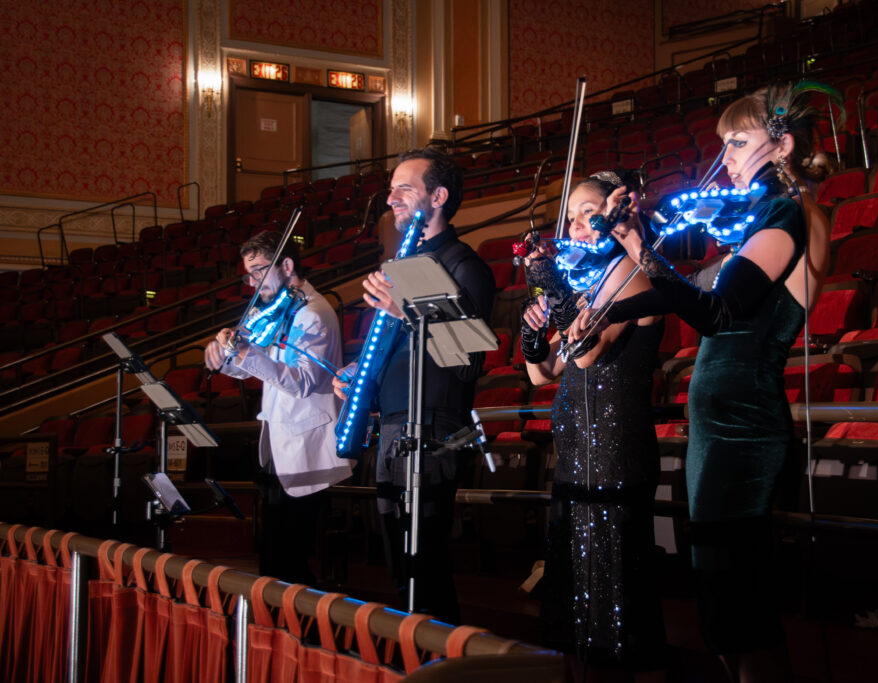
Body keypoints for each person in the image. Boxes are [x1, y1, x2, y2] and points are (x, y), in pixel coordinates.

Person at [572, 83, 834, 682]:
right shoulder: (758, 220)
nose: (727, 157)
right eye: (724, 144)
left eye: (738, 142)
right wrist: (640, 247)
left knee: (741, 603)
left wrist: (645, 257)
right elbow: (697, 295)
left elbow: (720, 313)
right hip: (718, 425)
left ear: (784, 143)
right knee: (721, 602)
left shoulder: (786, 213)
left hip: (744, 427)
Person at [334, 147, 496, 623]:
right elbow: (395, 350)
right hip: (393, 428)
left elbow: (465, 364)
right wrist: (358, 375)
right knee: (397, 567)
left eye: (405, 188)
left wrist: (405, 310)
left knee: (425, 566)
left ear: (438, 196)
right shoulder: (398, 268)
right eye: (391, 189)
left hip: (434, 432)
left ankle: (444, 665)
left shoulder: (465, 266)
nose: (391, 198)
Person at [521, 170, 667, 680]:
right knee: (575, 596)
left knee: (613, 592)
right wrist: (532, 335)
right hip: (578, 451)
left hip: (614, 450)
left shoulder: (630, 274)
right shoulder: (587, 282)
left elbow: (585, 355)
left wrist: (558, 294)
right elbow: (544, 374)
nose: (577, 227)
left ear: (616, 214)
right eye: (571, 217)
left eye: (589, 214)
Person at [204, 230, 352, 585]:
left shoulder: (313, 313)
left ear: (287, 265)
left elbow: (301, 381)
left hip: (306, 446)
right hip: (278, 445)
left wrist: (244, 353)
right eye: (248, 274)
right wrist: (223, 356)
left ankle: (303, 632)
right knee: (273, 555)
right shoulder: (279, 311)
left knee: (290, 559)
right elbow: (247, 366)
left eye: (258, 271)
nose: (253, 282)